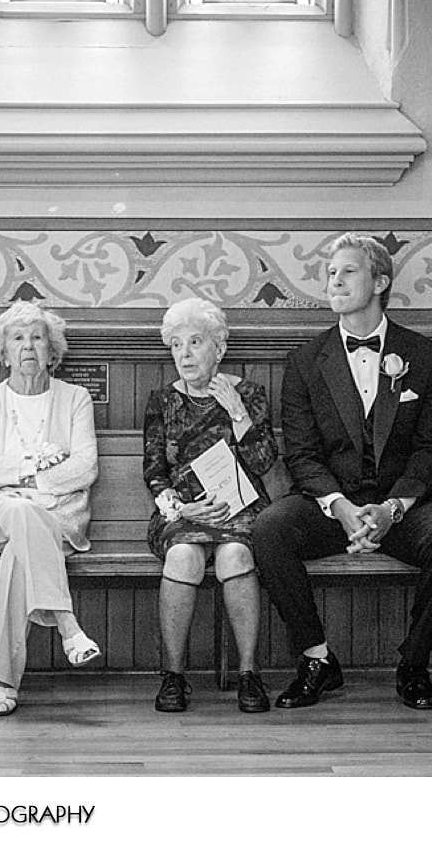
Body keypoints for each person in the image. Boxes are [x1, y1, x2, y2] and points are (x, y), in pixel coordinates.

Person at [252, 233, 432, 711]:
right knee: (269, 529)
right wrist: (341, 506)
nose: (335, 280)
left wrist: (394, 507)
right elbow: (303, 454)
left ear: (381, 281)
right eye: (331, 273)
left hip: (404, 506)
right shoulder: (306, 361)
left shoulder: (427, 357)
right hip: (332, 506)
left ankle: (413, 664)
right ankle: (316, 659)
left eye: (348, 271)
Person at [0, 301, 101, 717]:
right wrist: (31, 470)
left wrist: (25, 482)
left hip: (57, 517)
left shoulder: (75, 398)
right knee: (20, 516)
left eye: (37, 337)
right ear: (3, 351)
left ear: (52, 350)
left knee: (19, 556)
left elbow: (85, 467)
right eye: (18, 339)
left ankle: (4, 683)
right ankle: (68, 627)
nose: (28, 347)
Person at [143, 298, 279, 714]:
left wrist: (238, 414)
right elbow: (153, 472)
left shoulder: (250, 395)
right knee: (183, 556)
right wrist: (179, 510)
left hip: (240, 510)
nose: (184, 354)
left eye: (195, 342)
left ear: (218, 348)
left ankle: (248, 674)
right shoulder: (162, 401)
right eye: (177, 345)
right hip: (182, 514)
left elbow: (263, 463)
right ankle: (173, 677)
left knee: (235, 554)